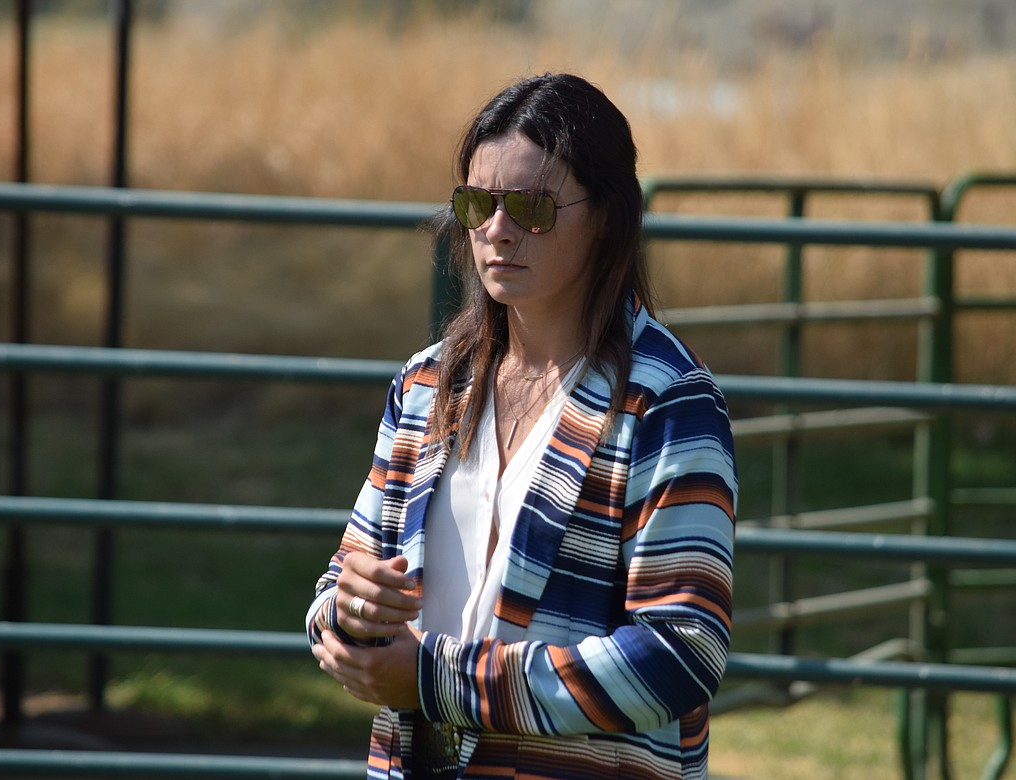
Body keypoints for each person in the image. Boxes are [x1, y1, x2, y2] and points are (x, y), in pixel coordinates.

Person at [307, 73, 737, 780]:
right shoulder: (425, 385)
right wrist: (350, 615)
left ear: (605, 215)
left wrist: (433, 678)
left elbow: (680, 654)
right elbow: (335, 587)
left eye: (533, 208)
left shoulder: (667, 403)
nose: (497, 230)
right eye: (478, 203)